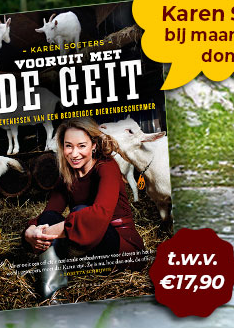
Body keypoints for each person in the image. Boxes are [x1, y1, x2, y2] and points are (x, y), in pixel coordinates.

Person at [22, 118, 147, 297]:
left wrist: (50, 232)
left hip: (122, 248)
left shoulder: (107, 167)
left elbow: (99, 215)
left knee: (80, 210)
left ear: (94, 145)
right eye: (68, 146)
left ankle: (60, 273)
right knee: (49, 217)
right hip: (89, 248)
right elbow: (49, 213)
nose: (74, 153)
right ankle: (52, 283)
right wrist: (31, 231)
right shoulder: (67, 175)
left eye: (81, 146)